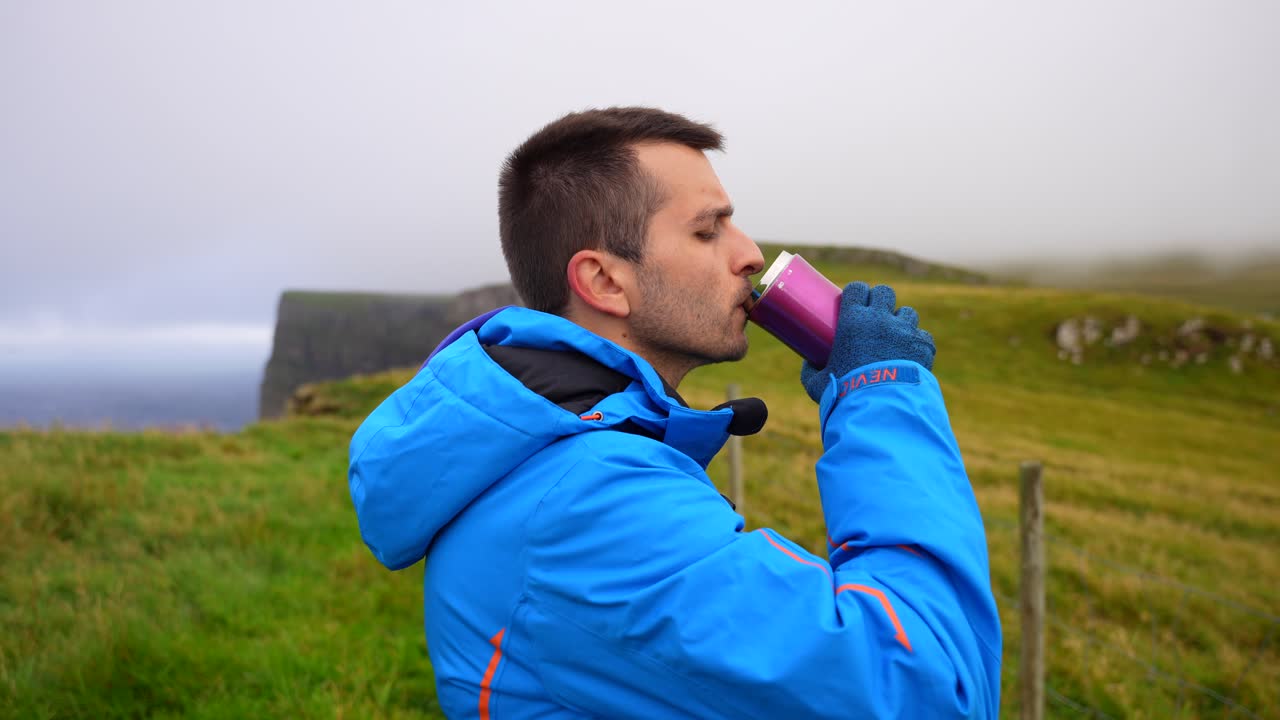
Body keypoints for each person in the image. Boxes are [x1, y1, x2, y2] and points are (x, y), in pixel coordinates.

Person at [348, 107, 1002, 718]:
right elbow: (932, 685)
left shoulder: (560, 459)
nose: (748, 253)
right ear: (604, 281)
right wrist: (882, 392)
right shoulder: (587, 507)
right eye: (706, 229)